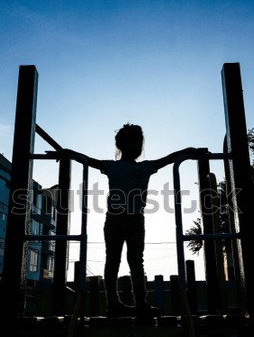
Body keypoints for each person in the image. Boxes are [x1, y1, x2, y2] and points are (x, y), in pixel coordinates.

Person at [51, 123, 208, 318]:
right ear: (121, 145)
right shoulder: (113, 166)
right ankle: (114, 303)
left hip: (135, 220)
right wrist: (68, 153)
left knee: (135, 261)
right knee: (114, 260)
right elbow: (88, 160)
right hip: (115, 219)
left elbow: (169, 159)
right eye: (133, 142)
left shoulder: (145, 167)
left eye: (139, 143)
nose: (137, 147)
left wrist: (188, 151)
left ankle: (140, 302)